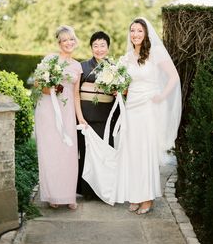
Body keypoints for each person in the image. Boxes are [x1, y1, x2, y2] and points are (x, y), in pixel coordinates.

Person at [78, 17, 181, 213]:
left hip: (149, 107)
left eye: (139, 31)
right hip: (131, 107)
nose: (135, 34)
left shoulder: (156, 53)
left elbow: (174, 77)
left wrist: (161, 96)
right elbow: (124, 85)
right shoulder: (126, 57)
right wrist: (119, 90)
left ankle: (147, 198)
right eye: (132, 31)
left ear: (146, 33)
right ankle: (135, 195)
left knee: (145, 151)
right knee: (131, 152)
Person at [35, 25, 86, 209]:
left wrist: (80, 118)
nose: (69, 43)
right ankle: (53, 196)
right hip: (48, 112)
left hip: (66, 114)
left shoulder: (77, 66)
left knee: (68, 153)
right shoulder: (50, 59)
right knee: (51, 153)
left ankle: (68, 195)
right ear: (59, 43)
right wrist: (52, 88)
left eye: (71, 39)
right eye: (65, 40)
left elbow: (76, 95)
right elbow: (39, 85)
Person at [77, 31, 118, 199]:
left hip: (105, 118)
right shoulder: (83, 66)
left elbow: (122, 93)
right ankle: (86, 191)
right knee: (85, 153)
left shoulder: (115, 68)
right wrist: (79, 116)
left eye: (103, 45)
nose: (99, 49)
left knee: (103, 155)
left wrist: (118, 92)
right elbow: (75, 92)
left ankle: (103, 190)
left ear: (108, 47)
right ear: (91, 48)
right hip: (85, 117)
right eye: (96, 46)